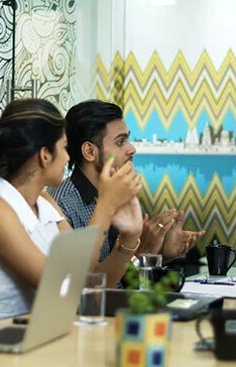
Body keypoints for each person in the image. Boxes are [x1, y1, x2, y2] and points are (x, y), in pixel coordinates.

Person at [0, 98, 142, 323]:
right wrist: (106, 206)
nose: (68, 157)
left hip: (34, 334)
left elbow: (86, 283)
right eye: (63, 148)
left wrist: (129, 237)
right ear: (45, 155)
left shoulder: (45, 201)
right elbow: (59, 286)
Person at [52, 100, 203, 266]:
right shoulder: (62, 208)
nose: (132, 149)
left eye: (127, 139)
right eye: (120, 142)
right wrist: (142, 254)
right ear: (89, 151)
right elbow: (85, 280)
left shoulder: (123, 194)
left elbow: (130, 275)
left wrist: (160, 255)